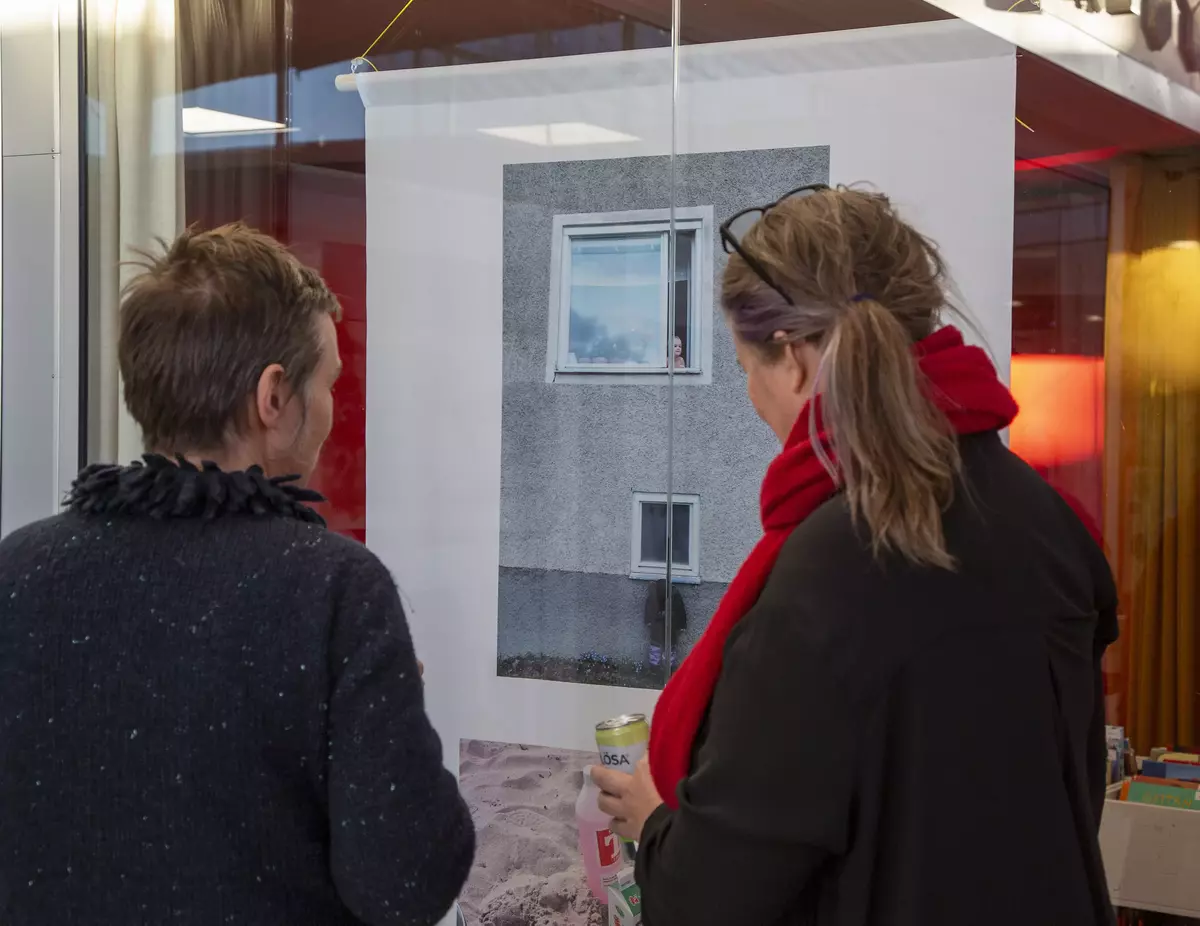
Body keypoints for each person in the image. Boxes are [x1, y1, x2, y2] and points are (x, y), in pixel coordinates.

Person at [593, 186, 1118, 926]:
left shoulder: (825, 572)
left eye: (746, 367)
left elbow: (712, 897)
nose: (753, 396)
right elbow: (1071, 795)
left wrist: (655, 823)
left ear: (793, 358)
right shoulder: (1049, 522)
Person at [0, 224, 474, 925]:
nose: (332, 408)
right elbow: (407, 884)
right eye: (328, 383)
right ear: (273, 396)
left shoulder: (18, 569)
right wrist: (392, 719)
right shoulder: (332, 590)